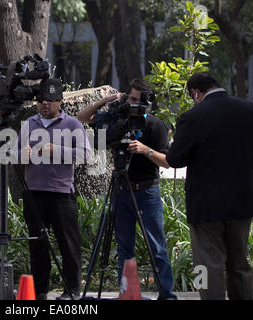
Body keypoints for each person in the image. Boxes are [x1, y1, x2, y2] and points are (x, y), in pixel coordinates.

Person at [166, 73, 253, 300]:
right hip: (242, 200)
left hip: (206, 205)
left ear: (195, 93)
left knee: (206, 266)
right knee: (239, 263)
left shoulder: (192, 117)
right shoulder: (248, 109)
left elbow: (174, 160)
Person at [77, 78, 177, 300]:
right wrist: (106, 100)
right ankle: (127, 293)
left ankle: (167, 295)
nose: (132, 104)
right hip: (121, 190)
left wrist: (145, 150)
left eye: (138, 101)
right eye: (130, 98)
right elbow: (82, 118)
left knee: (157, 247)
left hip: (147, 191)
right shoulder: (115, 119)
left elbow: (167, 162)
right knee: (124, 247)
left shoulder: (154, 125)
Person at [18, 78, 91, 300]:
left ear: (59, 101)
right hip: (34, 192)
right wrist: (23, 154)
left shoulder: (72, 125)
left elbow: (86, 156)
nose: (44, 104)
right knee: (37, 245)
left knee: (68, 244)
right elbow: (14, 153)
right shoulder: (29, 123)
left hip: (61, 194)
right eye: (41, 100)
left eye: (49, 100)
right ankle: (39, 291)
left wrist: (54, 150)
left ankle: (72, 290)